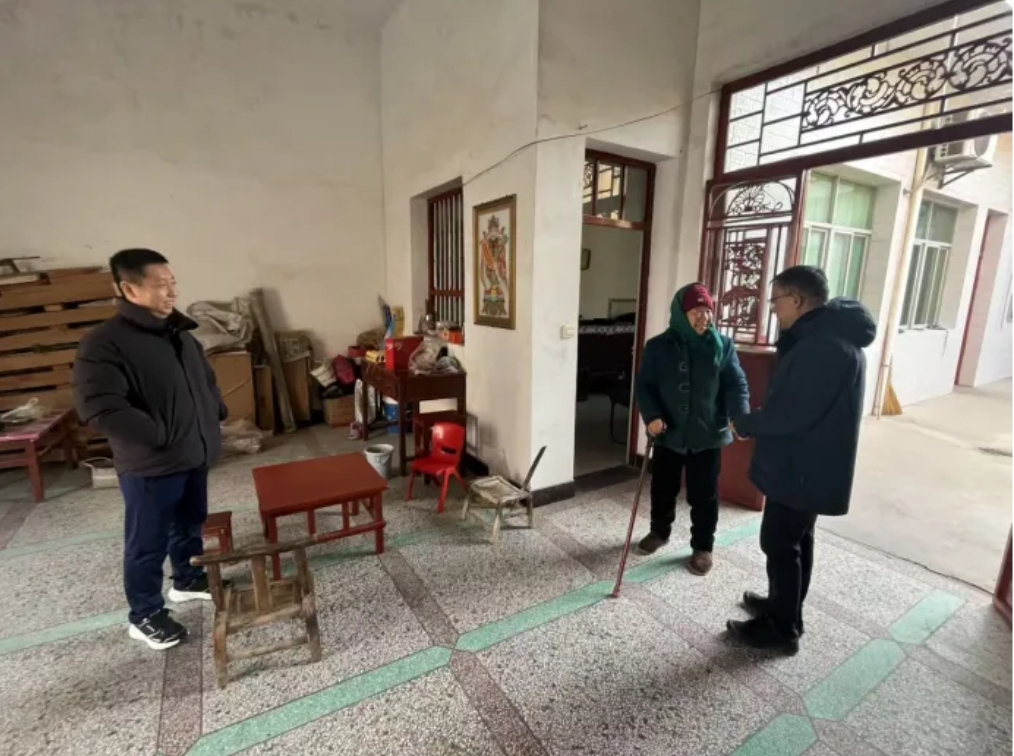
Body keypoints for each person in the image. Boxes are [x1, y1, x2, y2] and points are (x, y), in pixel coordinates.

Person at [73, 249, 227, 650]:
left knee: (190, 522)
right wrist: (160, 436)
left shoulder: (180, 335)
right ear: (129, 289)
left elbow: (206, 382)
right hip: (151, 464)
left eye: (173, 283)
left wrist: (215, 413)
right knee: (147, 542)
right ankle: (144, 615)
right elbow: (101, 408)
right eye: (161, 285)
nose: (172, 292)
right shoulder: (104, 344)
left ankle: (188, 579)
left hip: (193, 453)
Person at [727, 265, 876, 654]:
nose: (773, 308)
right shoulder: (831, 339)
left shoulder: (823, 348)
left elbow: (792, 414)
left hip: (802, 467)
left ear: (796, 299)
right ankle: (785, 608)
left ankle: (782, 629)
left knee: (780, 542)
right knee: (796, 540)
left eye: (776, 300)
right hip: (810, 463)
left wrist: (747, 422)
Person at [635, 282, 750, 575]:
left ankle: (702, 547)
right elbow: (645, 387)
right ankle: (659, 531)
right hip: (668, 434)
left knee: (704, 495)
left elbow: (736, 385)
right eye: (696, 311)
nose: (704, 317)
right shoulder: (658, 347)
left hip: (707, 434)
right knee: (663, 489)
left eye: (707, 311)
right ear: (680, 313)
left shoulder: (722, 346)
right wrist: (652, 416)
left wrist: (740, 415)